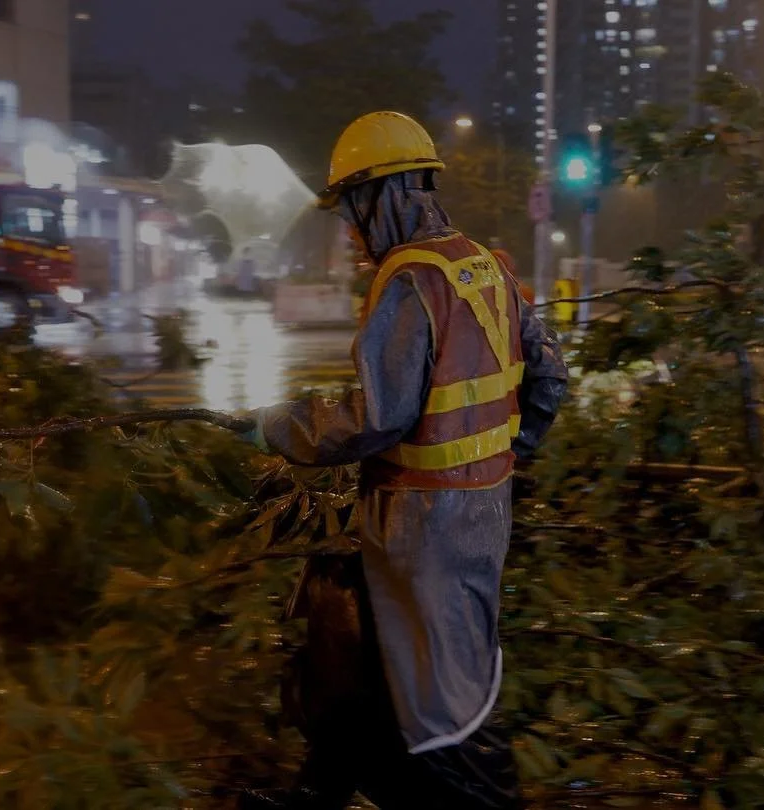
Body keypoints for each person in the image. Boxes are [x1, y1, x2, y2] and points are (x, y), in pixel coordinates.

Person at [237, 111, 568, 809]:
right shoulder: (485, 265)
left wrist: (276, 428)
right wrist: (504, 459)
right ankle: (320, 790)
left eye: (352, 210)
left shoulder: (408, 279)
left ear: (380, 196)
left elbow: (375, 418)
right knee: (363, 649)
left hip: (423, 527)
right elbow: (549, 376)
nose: (352, 232)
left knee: (444, 701)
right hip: (479, 514)